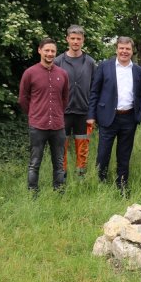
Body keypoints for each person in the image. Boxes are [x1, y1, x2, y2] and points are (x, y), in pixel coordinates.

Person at [87, 37, 141, 190]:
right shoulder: (104, 66)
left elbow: (140, 94)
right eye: (121, 48)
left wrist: (138, 114)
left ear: (132, 51)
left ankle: (122, 186)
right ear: (116, 49)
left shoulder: (137, 70)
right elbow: (94, 92)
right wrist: (91, 115)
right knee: (103, 154)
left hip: (129, 118)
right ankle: (101, 184)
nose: (124, 51)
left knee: (124, 155)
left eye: (128, 49)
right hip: (108, 117)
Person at [18, 38, 69, 192]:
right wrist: (34, 113)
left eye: (53, 51)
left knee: (59, 163)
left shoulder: (62, 74)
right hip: (38, 126)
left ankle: (59, 191)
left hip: (58, 126)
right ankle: (32, 192)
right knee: (34, 163)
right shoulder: (30, 73)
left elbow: (65, 98)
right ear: (40, 50)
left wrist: (58, 113)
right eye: (47, 50)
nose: (50, 53)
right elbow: (23, 98)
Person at [54, 25, 96, 177]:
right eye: (73, 38)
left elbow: (94, 89)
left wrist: (92, 113)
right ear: (67, 39)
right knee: (61, 147)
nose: (75, 41)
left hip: (83, 113)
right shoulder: (58, 61)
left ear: (83, 40)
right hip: (63, 113)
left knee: (82, 148)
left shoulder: (90, 62)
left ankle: (81, 178)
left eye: (78, 38)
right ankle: (61, 178)